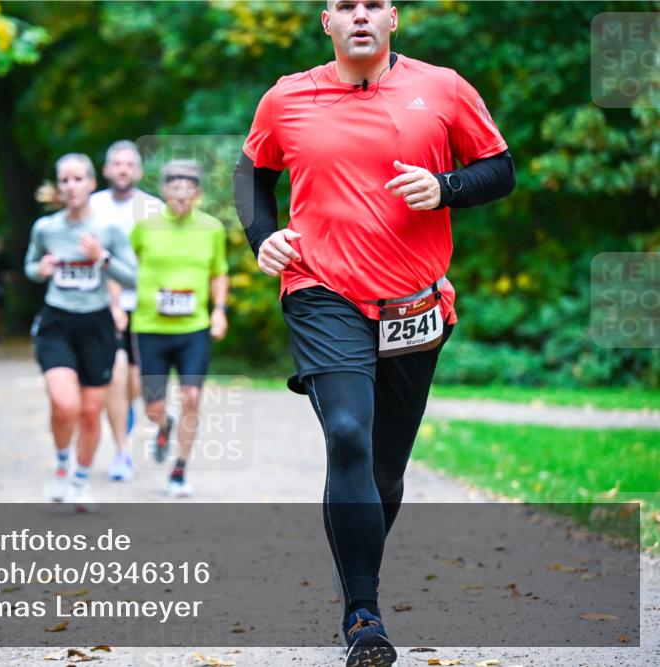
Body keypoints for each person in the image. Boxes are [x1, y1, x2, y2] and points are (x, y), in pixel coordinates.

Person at [233, 1, 515, 665]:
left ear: (394, 19)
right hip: (320, 290)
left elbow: (500, 169)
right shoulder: (287, 97)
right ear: (326, 22)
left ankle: (357, 560)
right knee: (347, 433)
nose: (360, 15)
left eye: (373, 4)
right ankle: (363, 613)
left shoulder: (443, 88)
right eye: (344, 5)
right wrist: (262, 237)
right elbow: (251, 175)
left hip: (415, 299)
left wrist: (445, 187)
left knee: (383, 469)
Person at [25, 153, 137, 511]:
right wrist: (40, 268)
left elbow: (133, 277)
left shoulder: (109, 230)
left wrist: (101, 257)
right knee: (65, 403)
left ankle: (80, 480)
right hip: (57, 321)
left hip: (96, 324)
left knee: (90, 411)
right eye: (65, 180)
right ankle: (62, 464)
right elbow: (29, 266)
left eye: (78, 179)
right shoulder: (46, 228)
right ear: (59, 186)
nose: (71, 186)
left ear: (91, 183)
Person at [130, 160, 228, 497]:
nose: (181, 198)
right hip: (150, 326)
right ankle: (163, 424)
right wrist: (118, 303)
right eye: (174, 190)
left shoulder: (212, 228)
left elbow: (219, 272)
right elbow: (126, 266)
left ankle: (179, 469)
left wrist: (219, 311)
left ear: (198, 194)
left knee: (192, 396)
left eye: (188, 192)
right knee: (152, 406)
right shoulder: (144, 228)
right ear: (164, 191)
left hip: (193, 328)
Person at [89, 140, 163, 482]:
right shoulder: (91, 207)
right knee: (115, 376)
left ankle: (129, 418)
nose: (122, 169)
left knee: (136, 381)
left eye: (128, 164)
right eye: (116, 163)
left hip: (144, 304)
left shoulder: (154, 208)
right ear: (105, 170)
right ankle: (122, 451)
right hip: (99, 304)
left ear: (138, 171)